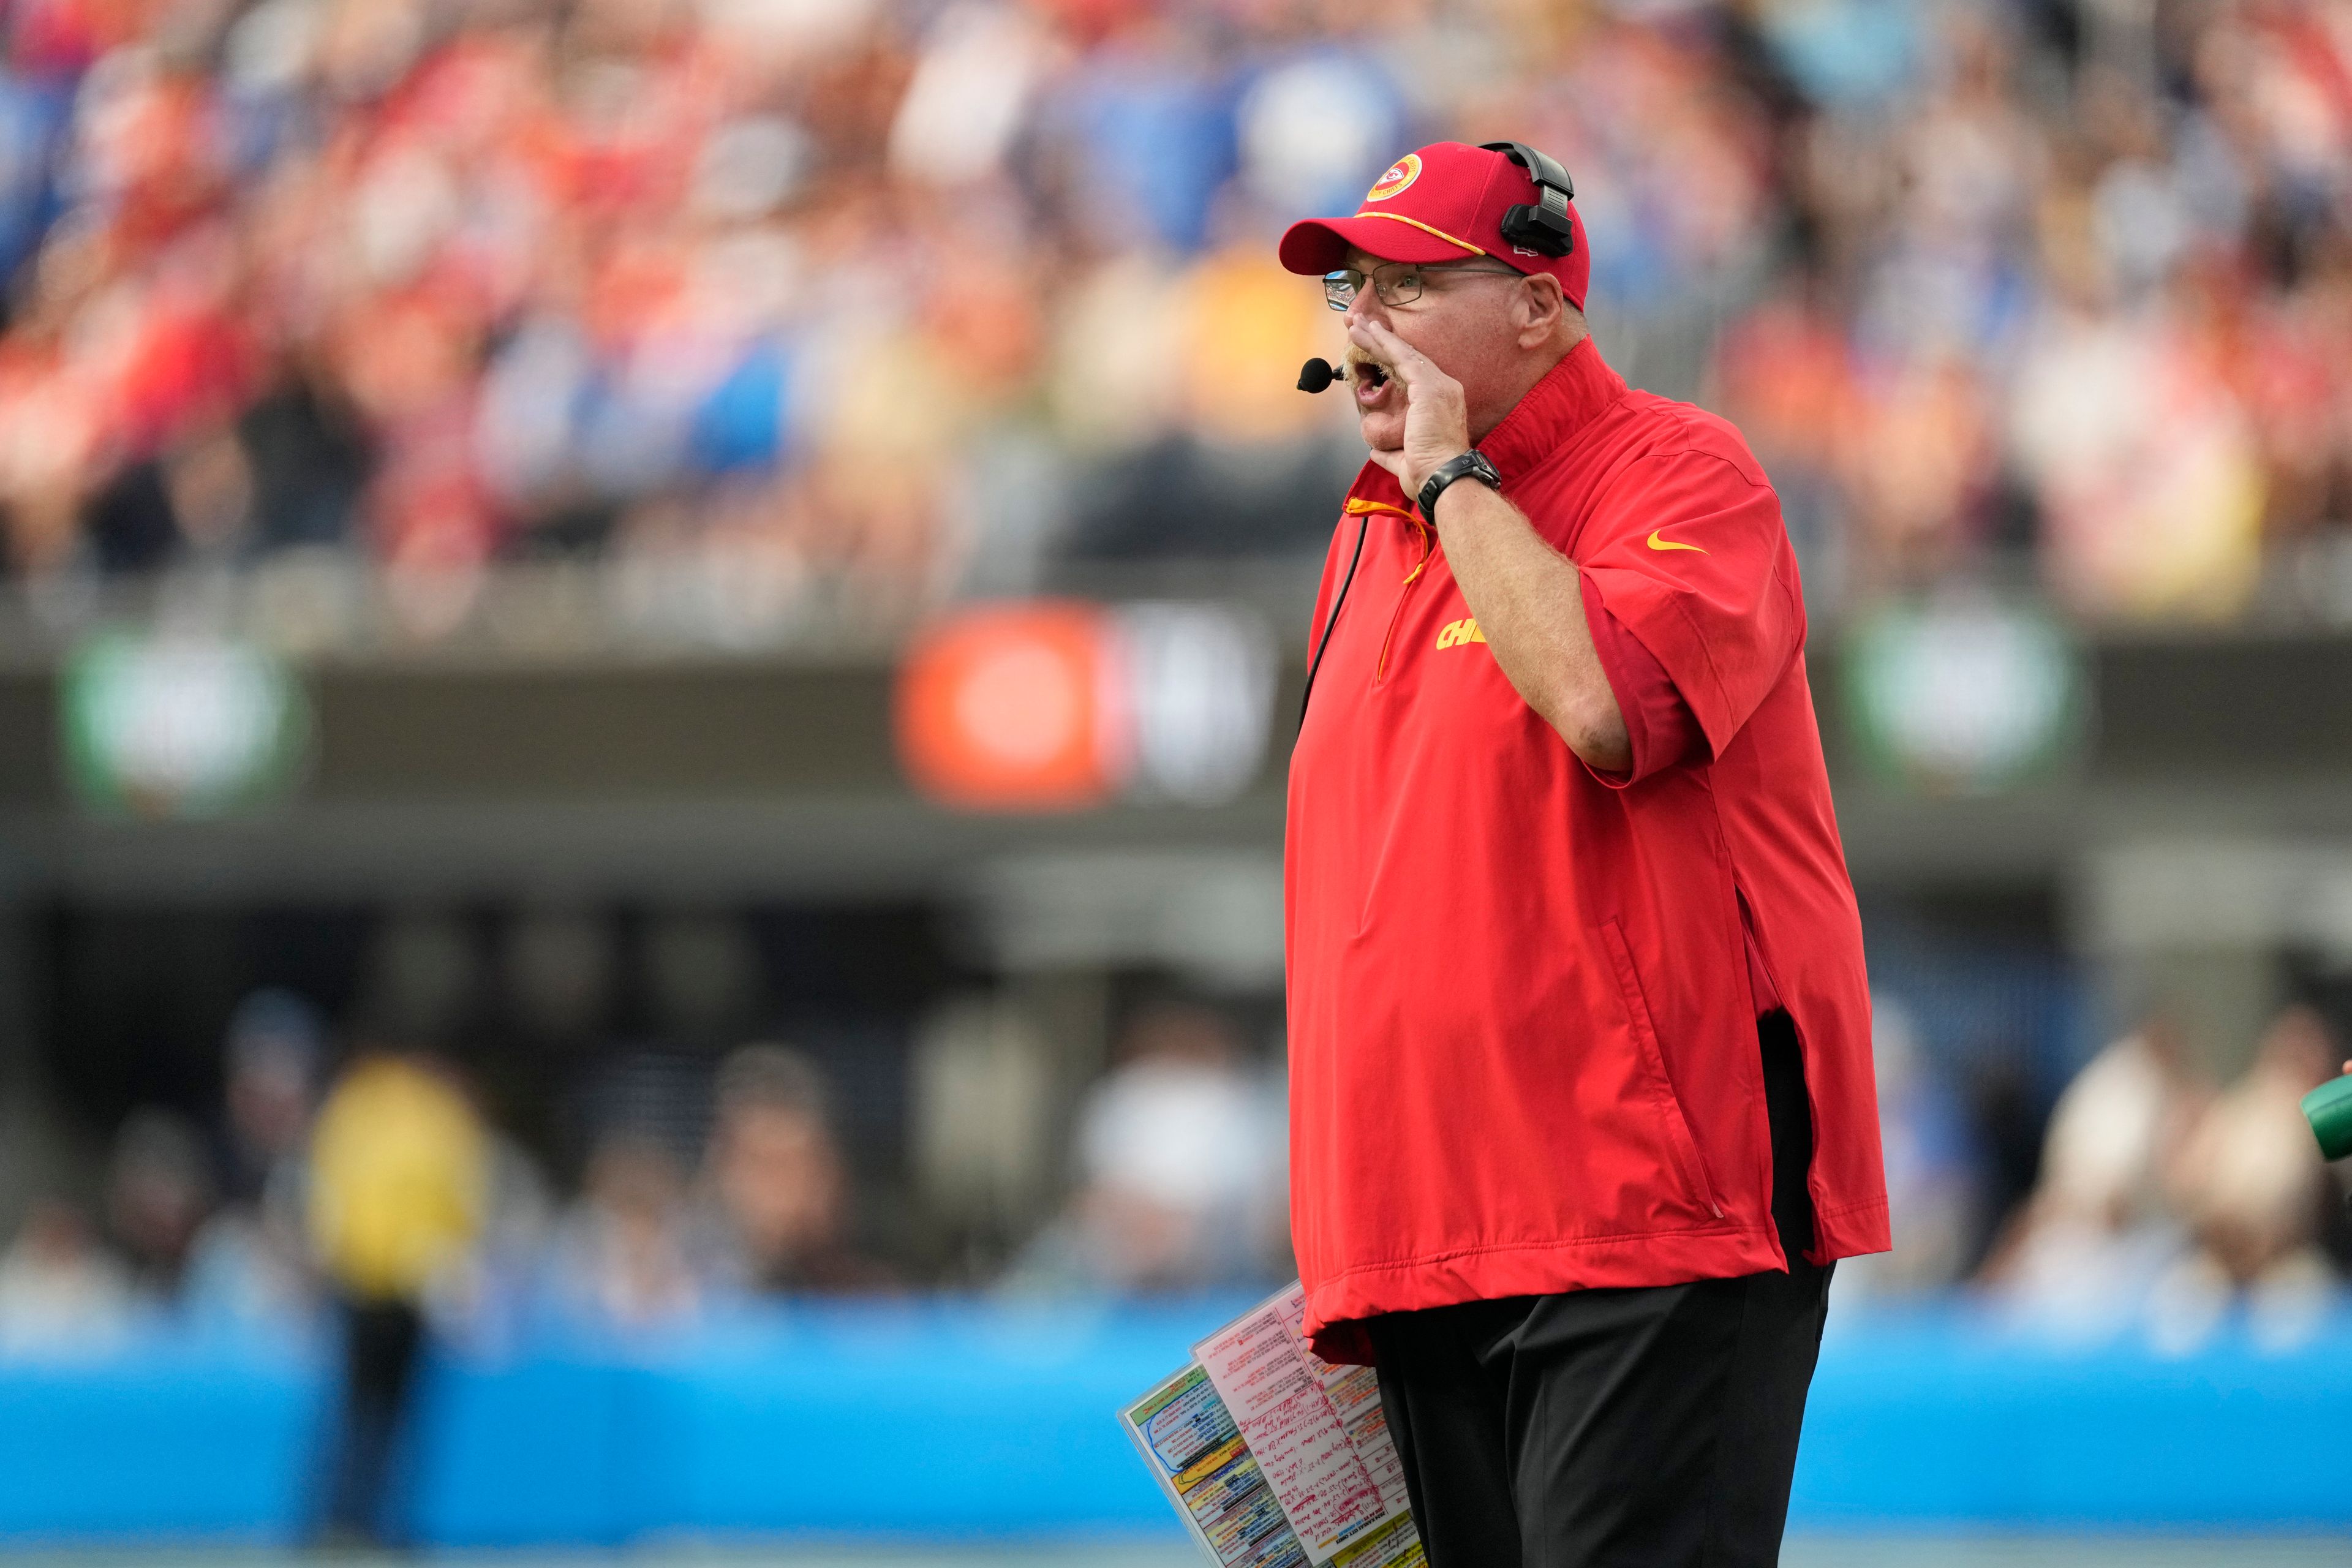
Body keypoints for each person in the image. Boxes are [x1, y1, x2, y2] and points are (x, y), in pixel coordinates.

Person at [1276, 141, 1890, 1568]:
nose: (1363, 323)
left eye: (1410, 287)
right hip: (1419, 1238)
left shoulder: (1682, 465)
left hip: (1647, 1221)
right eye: (1351, 291)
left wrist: (1449, 477)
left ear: (1540, 304)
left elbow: (1612, 708)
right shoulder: (1368, 540)